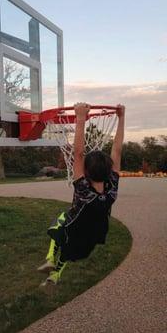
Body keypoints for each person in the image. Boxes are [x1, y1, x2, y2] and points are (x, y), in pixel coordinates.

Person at [37, 102, 125, 286]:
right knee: (69, 250)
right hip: (89, 241)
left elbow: (78, 153)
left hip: (72, 232)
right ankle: (54, 276)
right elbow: (116, 150)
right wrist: (121, 118)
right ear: (109, 171)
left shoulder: (83, 188)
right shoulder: (111, 190)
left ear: (85, 172)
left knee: (61, 219)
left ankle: (51, 258)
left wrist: (80, 119)